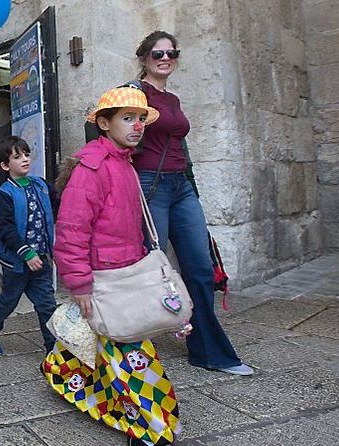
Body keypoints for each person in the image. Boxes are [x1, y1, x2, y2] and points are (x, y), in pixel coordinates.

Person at [48, 85, 180, 446]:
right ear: (104, 123)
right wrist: (79, 284)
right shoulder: (92, 167)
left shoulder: (125, 163)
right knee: (131, 354)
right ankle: (153, 428)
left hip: (125, 272)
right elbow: (72, 230)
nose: (137, 126)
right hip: (105, 277)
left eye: (140, 119)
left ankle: (64, 375)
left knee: (111, 344)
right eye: (127, 118)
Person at [132, 31, 252, 376]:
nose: (165, 58)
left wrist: (192, 187)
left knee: (200, 268)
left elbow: (180, 148)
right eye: (157, 53)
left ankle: (209, 352)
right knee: (150, 270)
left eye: (172, 52)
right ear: (144, 58)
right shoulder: (135, 92)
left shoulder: (172, 98)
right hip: (150, 187)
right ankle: (132, 352)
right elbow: (107, 131)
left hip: (181, 187)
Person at [0, 136, 57, 356]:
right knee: (9, 300)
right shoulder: (4, 194)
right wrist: (26, 253)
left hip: (40, 259)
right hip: (17, 263)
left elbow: (58, 207)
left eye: (27, 154)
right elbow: (7, 230)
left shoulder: (41, 185)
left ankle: (53, 349)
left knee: (47, 303)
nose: (25, 159)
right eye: (17, 156)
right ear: (5, 165)